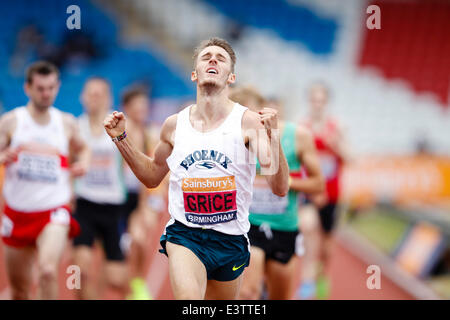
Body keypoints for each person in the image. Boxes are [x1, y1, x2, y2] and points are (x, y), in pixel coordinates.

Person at [103, 37, 289, 300]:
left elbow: (280, 188)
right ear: (194, 74)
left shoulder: (248, 123)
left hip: (230, 238)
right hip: (185, 235)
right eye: (206, 57)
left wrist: (274, 139)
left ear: (231, 77)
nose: (213, 59)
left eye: (220, 58)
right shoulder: (173, 125)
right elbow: (151, 176)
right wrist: (121, 138)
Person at [0, 61, 89, 299]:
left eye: (50, 87)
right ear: (28, 88)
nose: (46, 93)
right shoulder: (11, 122)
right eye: (40, 88)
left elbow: (83, 149)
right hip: (17, 213)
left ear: (57, 87)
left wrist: (83, 163)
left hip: (53, 210)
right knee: (19, 291)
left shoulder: (66, 122)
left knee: (48, 271)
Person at [230, 86, 324, 300]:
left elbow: (318, 184)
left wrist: (284, 181)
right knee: (248, 293)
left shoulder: (298, 136)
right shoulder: (240, 137)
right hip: (250, 225)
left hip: (284, 227)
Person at [72, 77, 129, 299]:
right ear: (82, 97)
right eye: (90, 94)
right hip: (84, 204)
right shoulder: (76, 127)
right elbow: (67, 162)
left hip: (113, 207)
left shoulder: (121, 127)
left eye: (99, 94)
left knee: (117, 279)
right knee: (79, 271)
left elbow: (133, 165)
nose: (94, 99)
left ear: (108, 98)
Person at [297, 82, 351, 299]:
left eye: (321, 100)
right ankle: (306, 284)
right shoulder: (302, 127)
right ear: (309, 101)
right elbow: (296, 160)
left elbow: (351, 158)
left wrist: (336, 145)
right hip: (310, 193)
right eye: (314, 100)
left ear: (326, 102)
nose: (317, 104)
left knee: (327, 248)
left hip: (333, 195)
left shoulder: (337, 127)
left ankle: (322, 274)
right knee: (308, 228)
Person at [119, 86, 158, 300]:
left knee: (140, 241)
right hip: (115, 198)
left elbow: (147, 172)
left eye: (145, 105)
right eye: (138, 106)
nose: (143, 109)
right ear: (127, 108)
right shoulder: (116, 132)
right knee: (116, 254)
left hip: (136, 198)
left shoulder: (148, 133)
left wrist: (145, 206)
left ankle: (137, 284)